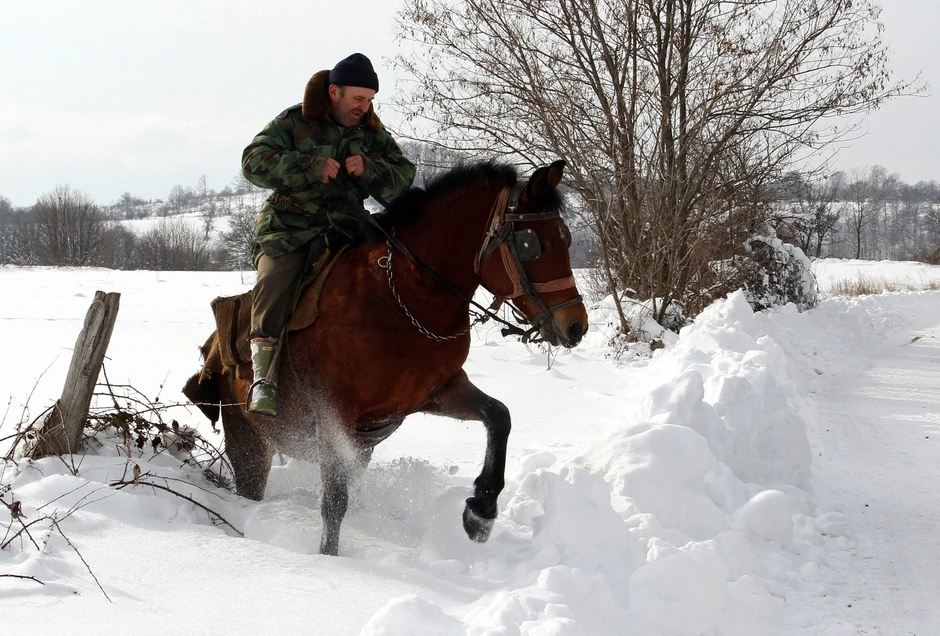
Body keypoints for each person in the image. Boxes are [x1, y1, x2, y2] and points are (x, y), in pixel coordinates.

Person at [241, 53, 416, 415]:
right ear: (334, 92)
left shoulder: (371, 132)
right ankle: (263, 379)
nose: (364, 107)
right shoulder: (293, 121)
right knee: (275, 284)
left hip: (348, 229)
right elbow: (252, 162)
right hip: (289, 230)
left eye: (369, 100)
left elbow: (403, 175)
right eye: (358, 99)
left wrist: (369, 168)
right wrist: (308, 165)